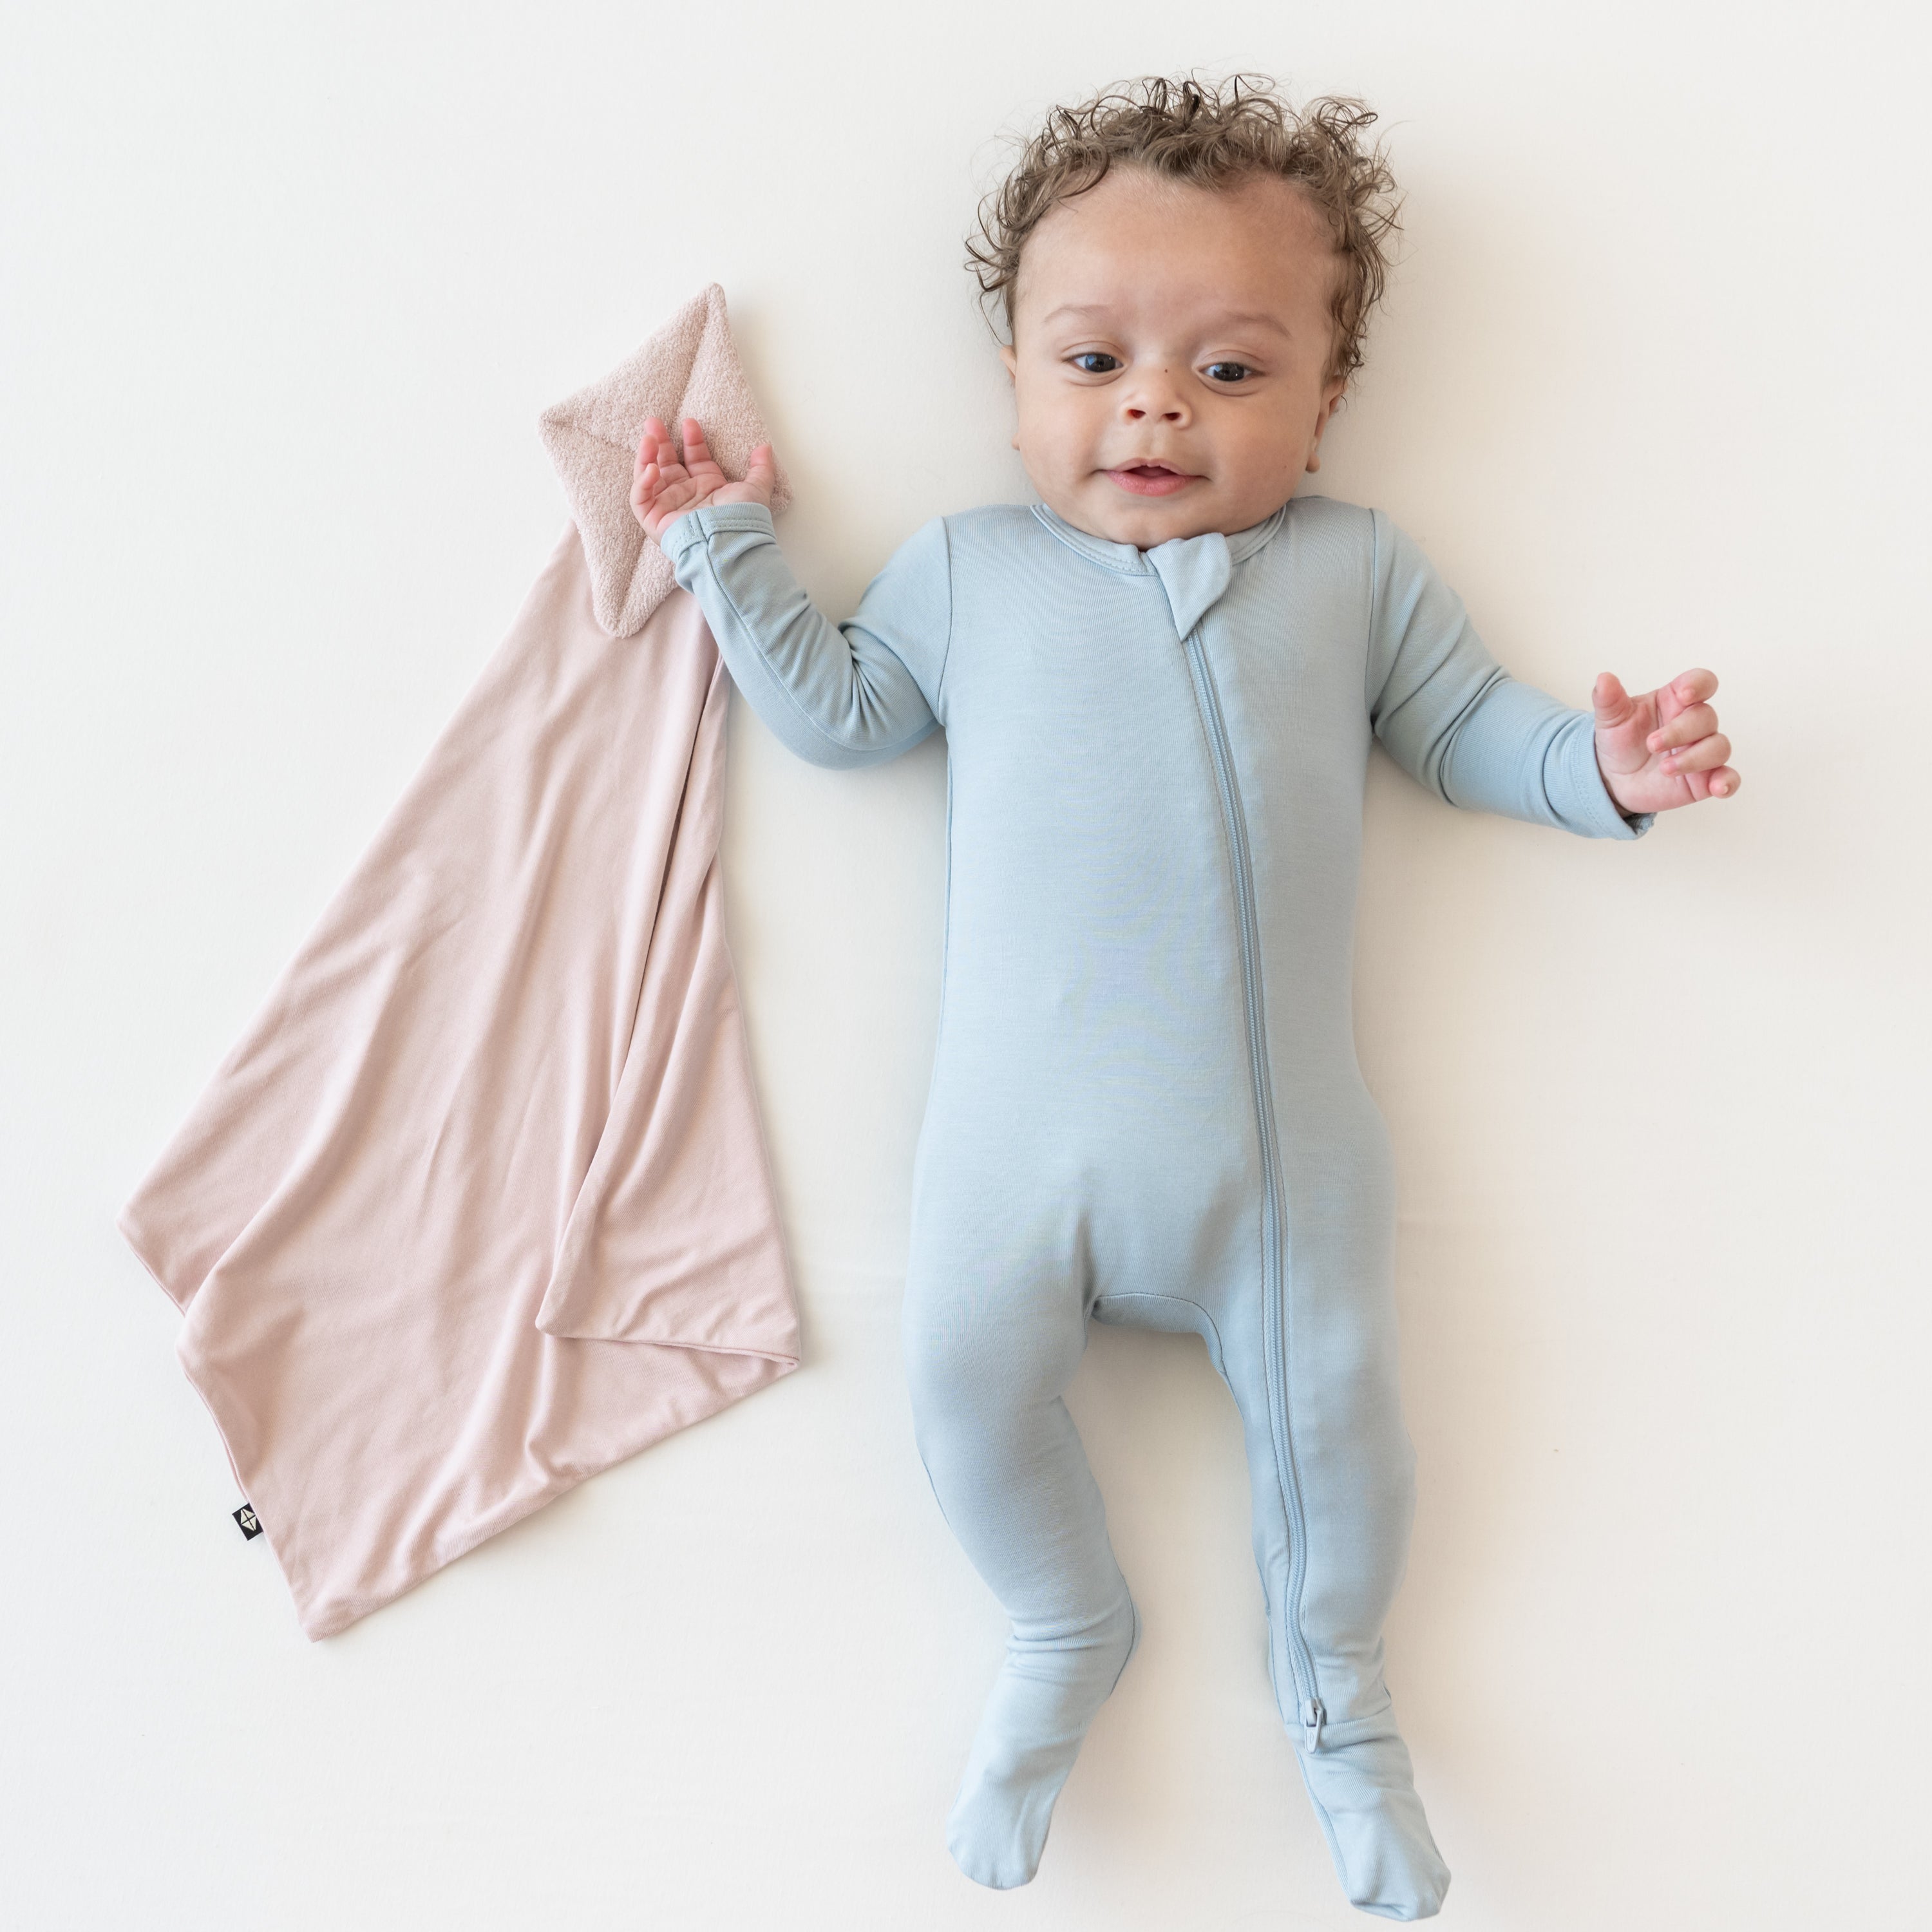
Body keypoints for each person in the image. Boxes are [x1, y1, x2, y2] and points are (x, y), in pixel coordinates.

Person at [629, 74, 1738, 1922]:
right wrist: (729, 549)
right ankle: (1066, 1626)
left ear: (1328, 395)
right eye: (1096, 358)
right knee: (961, 1391)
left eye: (1231, 371)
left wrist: (1604, 769)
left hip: (1279, 1175)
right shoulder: (969, 573)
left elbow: (1475, 733)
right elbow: (841, 717)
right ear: (1012, 380)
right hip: (1012, 1167)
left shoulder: (1355, 573)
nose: (1154, 402)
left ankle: (1345, 1720)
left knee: (1346, 1439)